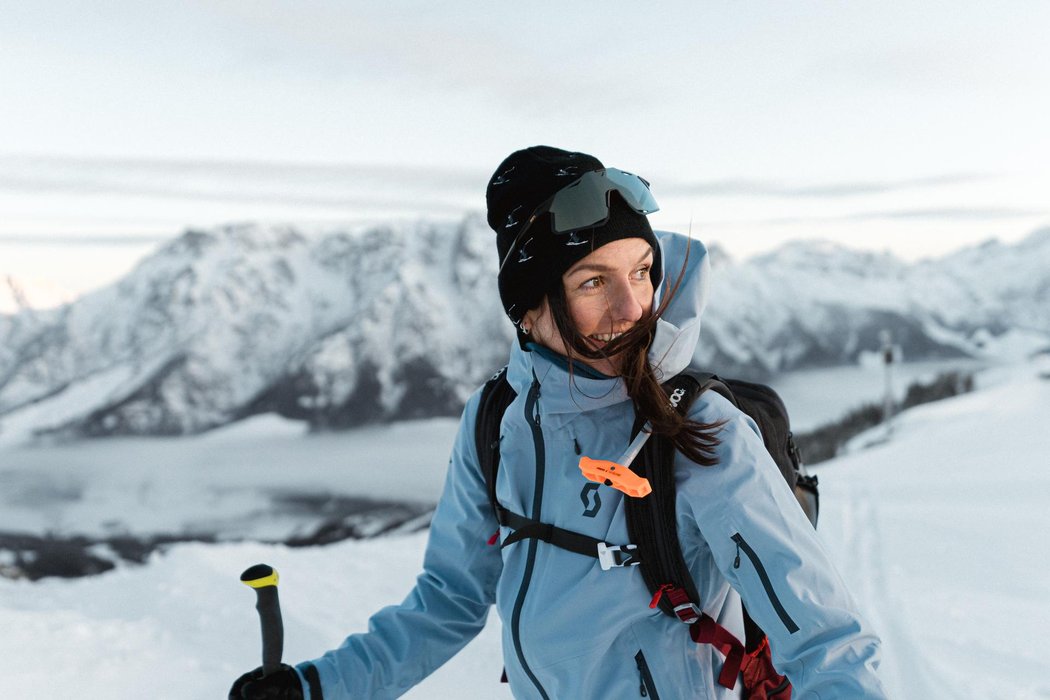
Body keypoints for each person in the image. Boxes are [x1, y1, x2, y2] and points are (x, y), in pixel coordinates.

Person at [230, 146, 886, 699]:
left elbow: (828, 638)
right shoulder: (496, 420)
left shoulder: (695, 430)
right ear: (530, 303)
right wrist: (319, 686)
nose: (635, 304)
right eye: (593, 281)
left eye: (641, 271)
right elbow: (447, 601)